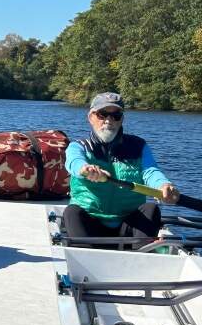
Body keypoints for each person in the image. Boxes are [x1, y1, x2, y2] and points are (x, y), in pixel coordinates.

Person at [63, 92, 180, 247]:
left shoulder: (138, 146)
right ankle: (84, 254)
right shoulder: (78, 147)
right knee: (72, 212)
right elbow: (74, 163)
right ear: (91, 117)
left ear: (122, 119)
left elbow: (151, 172)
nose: (109, 120)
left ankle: (141, 257)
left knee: (150, 208)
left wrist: (163, 185)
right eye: (102, 114)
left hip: (128, 225)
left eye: (116, 115)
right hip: (91, 222)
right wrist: (86, 170)